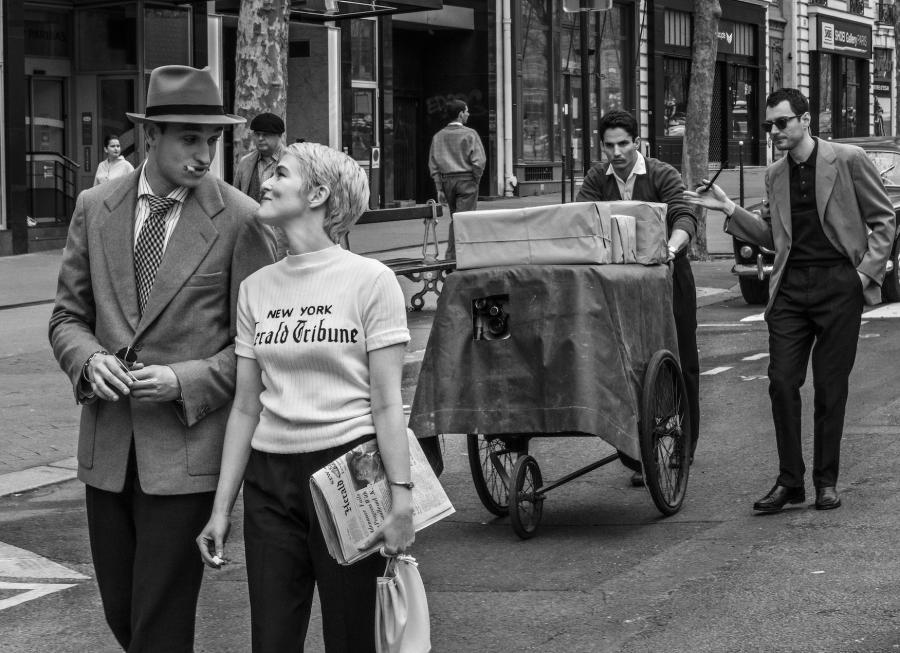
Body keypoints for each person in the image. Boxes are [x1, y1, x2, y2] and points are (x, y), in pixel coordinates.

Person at [48, 65, 276, 651]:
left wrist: (184, 379)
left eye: (212, 141)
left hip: (185, 454)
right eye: (190, 139)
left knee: (160, 621)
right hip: (106, 448)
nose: (204, 155)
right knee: (123, 613)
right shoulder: (94, 206)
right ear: (150, 135)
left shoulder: (242, 219)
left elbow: (257, 349)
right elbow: (67, 317)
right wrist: (87, 360)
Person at [196, 142, 415, 653]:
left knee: (353, 637)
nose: (265, 183)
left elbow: (387, 403)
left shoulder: (371, 281)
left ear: (317, 194)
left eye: (280, 173)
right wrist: (221, 509)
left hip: (351, 470)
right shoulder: (256, 287)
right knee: (271, 639)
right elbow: (246, 406)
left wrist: (402, 499)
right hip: (269, 479)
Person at [684, 88, 895, 513]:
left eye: (781, 122)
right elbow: (773, 238)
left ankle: (826, 482)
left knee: (831, 388)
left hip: (839, 285)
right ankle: (790, 481)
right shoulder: (775, 174)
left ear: (805, 120)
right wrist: (728, 209)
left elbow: (884, 220)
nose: (774, 131)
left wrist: (861, 276)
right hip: (791, 290)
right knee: (781, 382)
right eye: (769, 125)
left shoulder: (848, 159)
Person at [576, 109, 699, 487]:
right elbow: (579, 220)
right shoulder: (597, 178)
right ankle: (637, 451)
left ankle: (684, 444)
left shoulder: (662, 174)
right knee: (625, 364)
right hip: (618, 288)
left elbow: (683, 216)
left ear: (638, 143)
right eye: (609, 146)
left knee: (682, 360)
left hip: (668, 279)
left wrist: (671, 249)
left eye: (623, 144)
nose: (616, 153)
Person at [428, 98, 485, 260]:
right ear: (460, 114)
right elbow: (479, 161)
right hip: (467, 180)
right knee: (463, 220)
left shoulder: (438, 136)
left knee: (456, 218)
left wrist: (439, 187)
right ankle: (454, 257)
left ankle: (456, 256)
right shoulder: (470, 134)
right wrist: (476, 179)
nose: (468, 114)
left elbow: (433, 164)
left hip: (447, 181)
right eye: (466, 111)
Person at [234, 112, 286, 203]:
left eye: (266, 134)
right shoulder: (245, 162)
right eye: (257, 134)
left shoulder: (293, 161)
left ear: (279, 135)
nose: (260, 138)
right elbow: (236, 198)